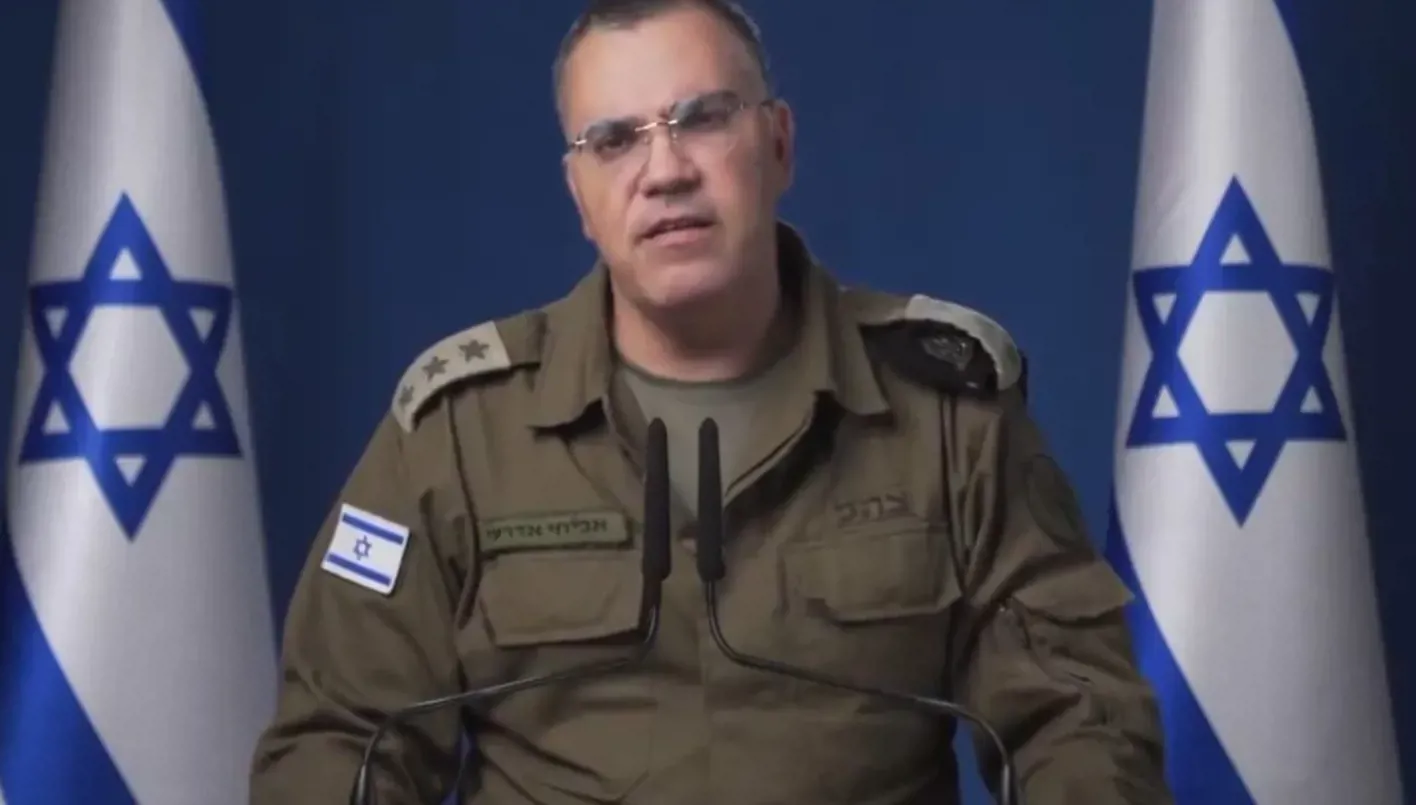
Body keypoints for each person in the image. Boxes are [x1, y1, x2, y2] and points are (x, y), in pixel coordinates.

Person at [248, 1, 1172, 802]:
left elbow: (1076, 719)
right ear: (580, 194)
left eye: (700, 119)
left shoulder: (944, 413)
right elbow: (343, 736)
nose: (665, 171)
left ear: (778, 144)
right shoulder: (457, 432)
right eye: (615, 140)